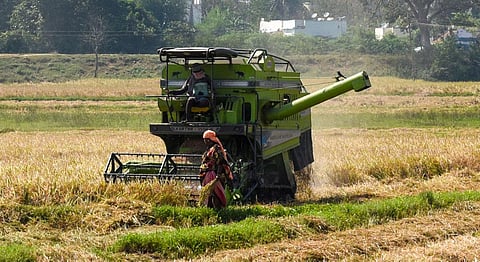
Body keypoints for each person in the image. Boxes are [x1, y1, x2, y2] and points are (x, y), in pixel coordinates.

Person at [199, 130, 233, 208]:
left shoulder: (216, 149)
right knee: (209, 193)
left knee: (216, 193)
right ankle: (210, 209)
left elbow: (220, 162)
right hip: (208, 174)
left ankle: (218, 209)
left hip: (214, 175)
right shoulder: (209, 149)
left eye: (206, 140)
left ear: (210, 140)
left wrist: (217, 175)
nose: (205, 141)